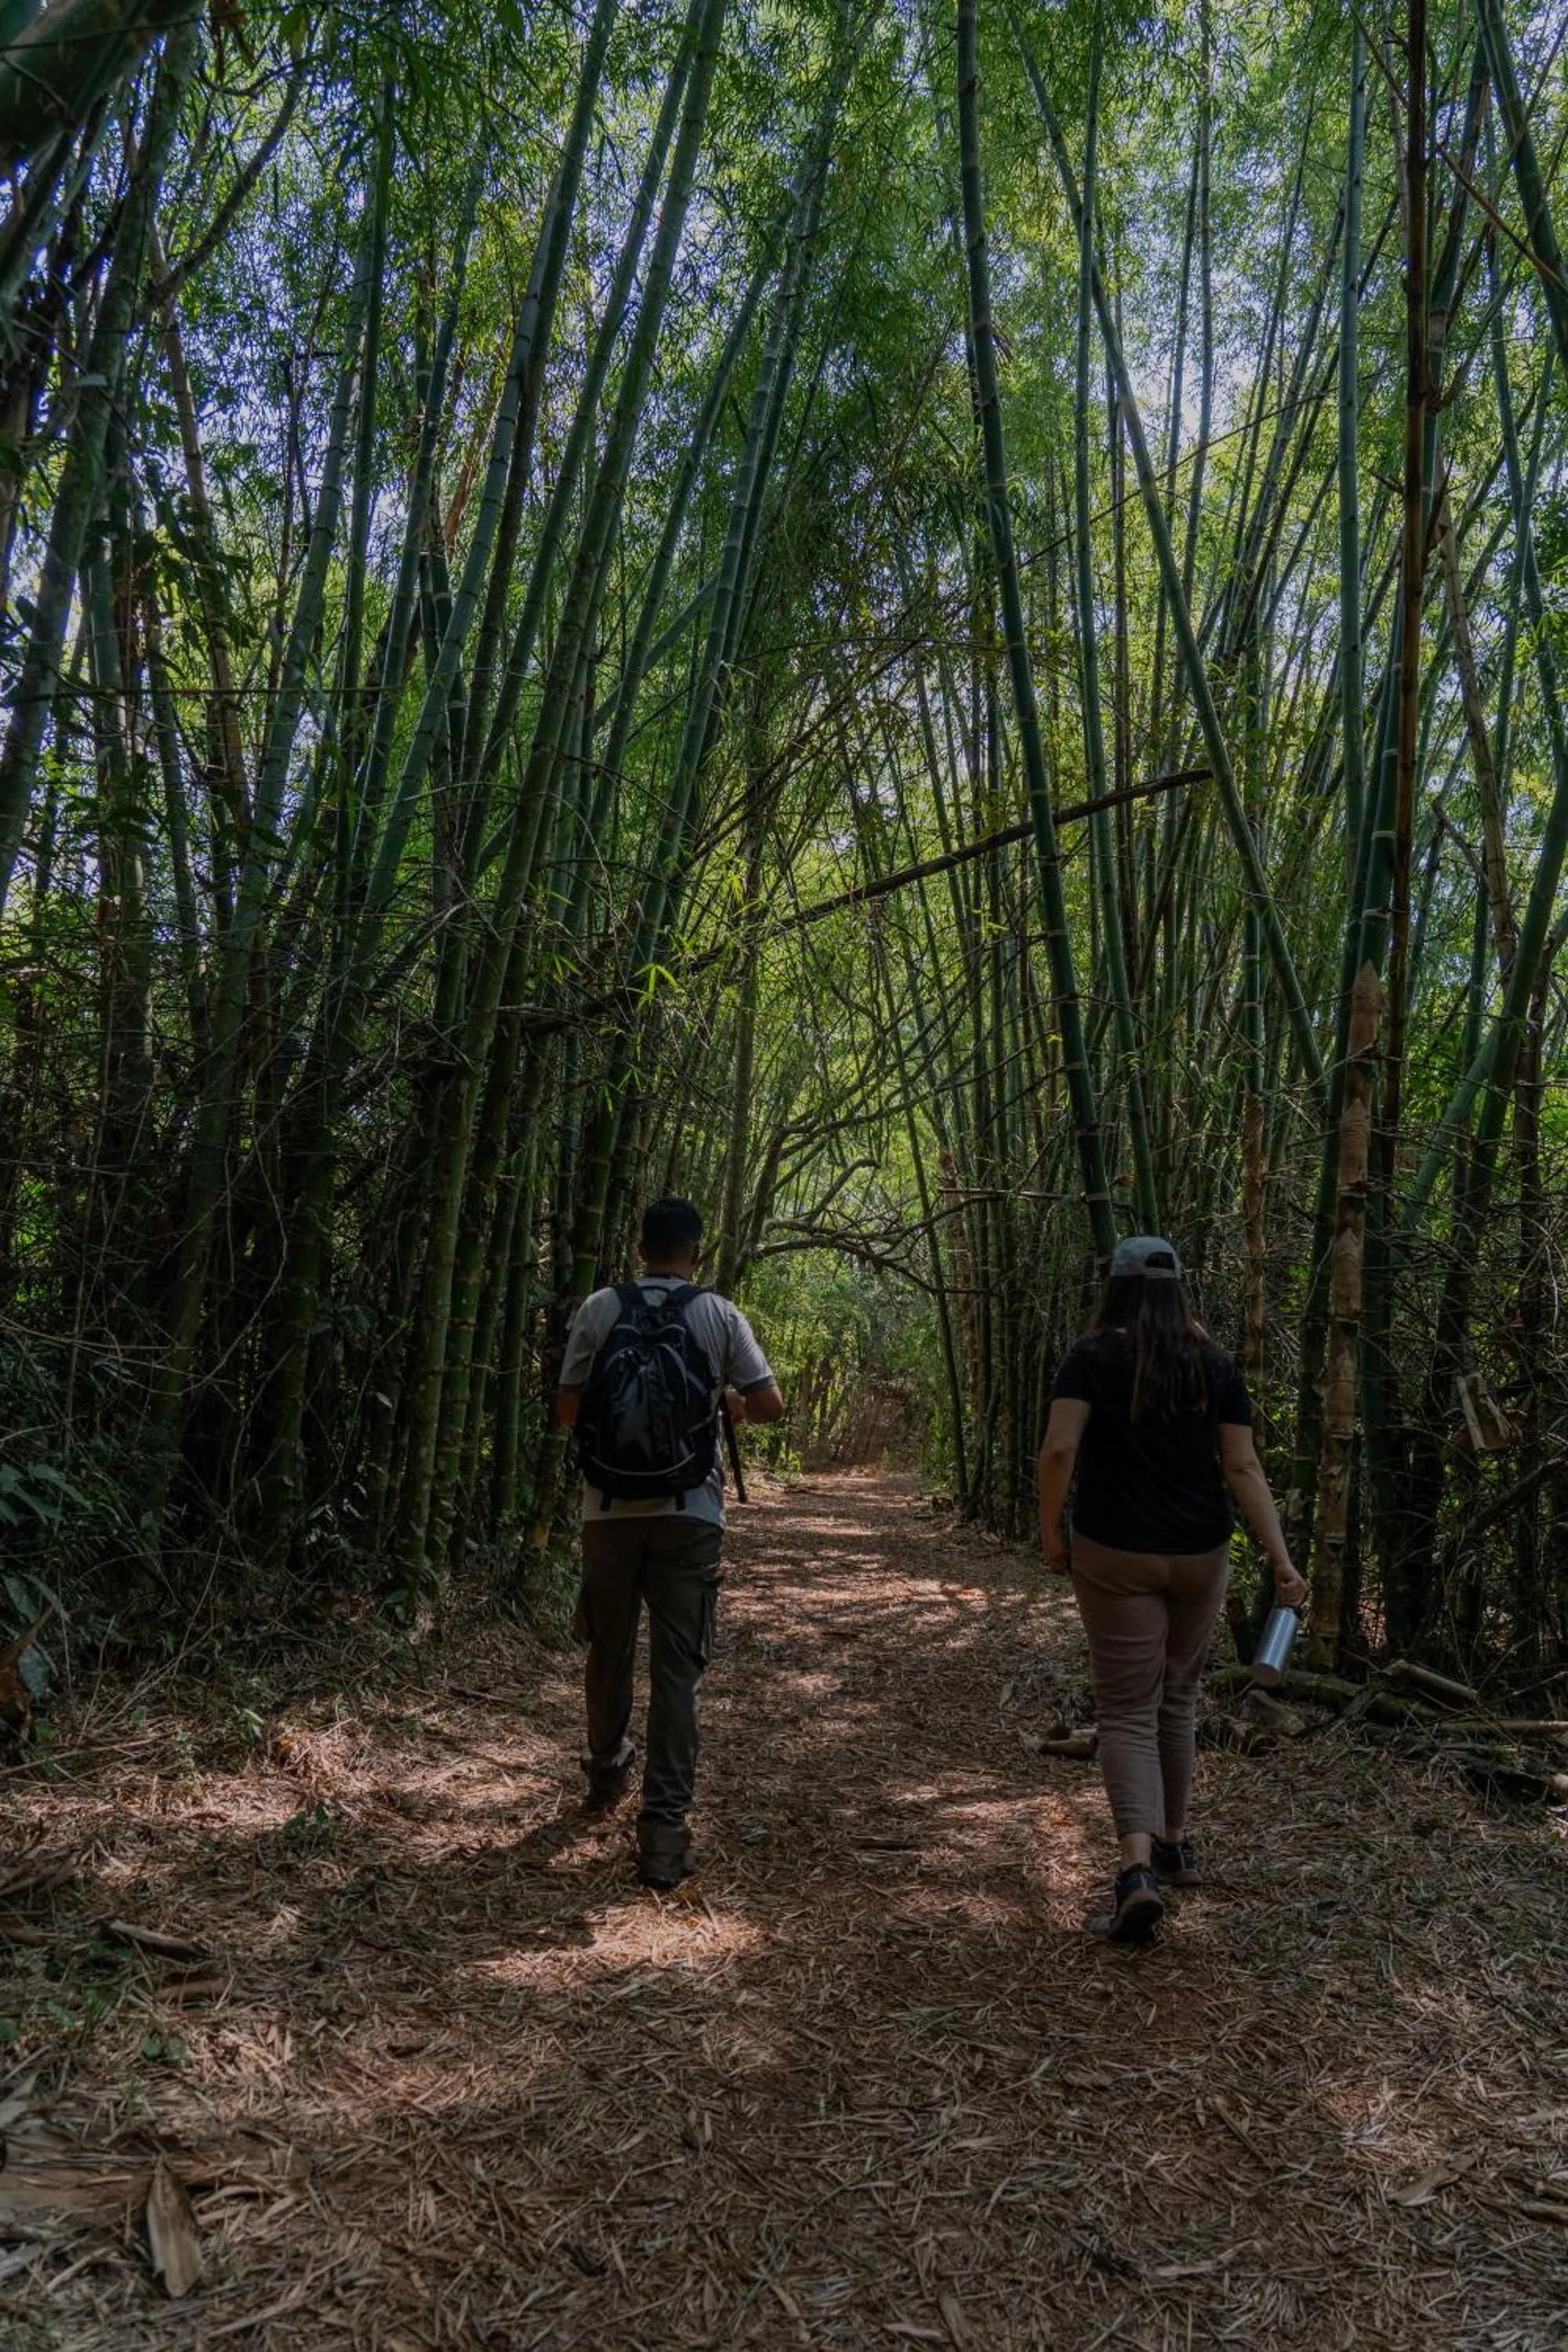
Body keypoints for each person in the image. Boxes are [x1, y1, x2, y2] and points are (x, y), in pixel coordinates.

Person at [1036, 1235, 1307, 1943]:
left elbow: (1061, 1448)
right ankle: (1176, 1843)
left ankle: (1135, 1872)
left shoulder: (1090, 1356)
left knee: (1126, 1708)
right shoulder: (1213, 1363)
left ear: (1116, 1287)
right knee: (1177, 1699)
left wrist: (1050, 1532)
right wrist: (1280, 1559)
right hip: (1200, 1552)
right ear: (1179, 1289)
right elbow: (1243, 1468)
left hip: (1116, 1549)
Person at [555, 1196, 785, 1889]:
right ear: (697, 1252)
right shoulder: (718, 1314)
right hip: (692, 1512)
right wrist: (730, 1403)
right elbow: (770, 1404)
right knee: (677, 1674)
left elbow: (567, 1409)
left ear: (639, 1245)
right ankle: (663, 1834)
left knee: (608, 1650)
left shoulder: (601, 1307)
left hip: (607, 1511)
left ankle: (604, 1771)